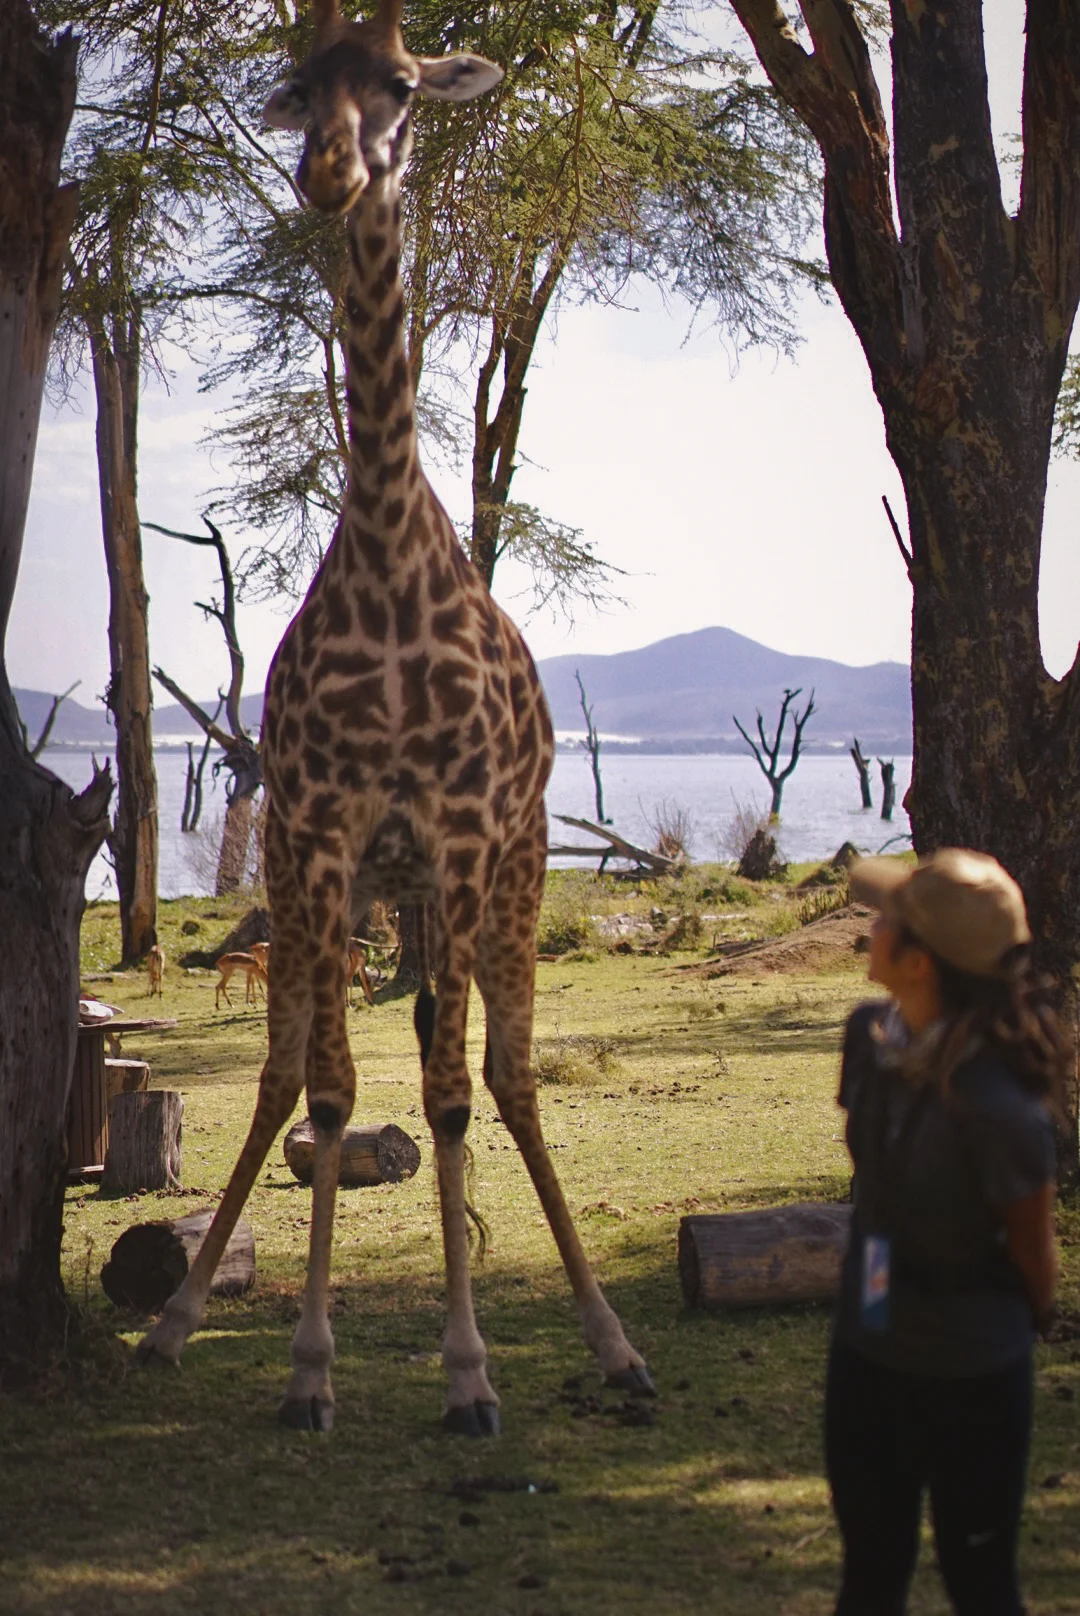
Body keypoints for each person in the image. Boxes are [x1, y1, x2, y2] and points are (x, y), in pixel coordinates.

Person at [827, 848, 1065, 1616]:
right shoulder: (868, 1039)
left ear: (921, 961)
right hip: (866, 1352)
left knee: (982, 1586)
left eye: (888, 920)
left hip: (975, 1376)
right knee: (870, 1575)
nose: (873, 926)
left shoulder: (1002, 1107)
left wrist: (988, 1326)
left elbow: (1035, 1257)